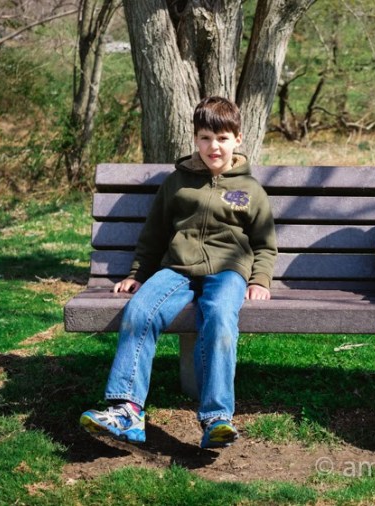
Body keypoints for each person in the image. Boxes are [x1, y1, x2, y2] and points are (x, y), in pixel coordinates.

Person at [80, 96, 277, 449]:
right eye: (205, 138)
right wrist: (138, 273)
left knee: (220, 317)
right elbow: (154, 233)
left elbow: (264, 244)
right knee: (140, 311)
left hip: (228, 271)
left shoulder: (250, 190)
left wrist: (259, 280)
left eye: (222, 138)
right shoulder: (177, 183)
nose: (214, 146)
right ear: (195, 139)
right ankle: (127, 411)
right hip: (177, 269)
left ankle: (217, 417)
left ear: (237, 139)